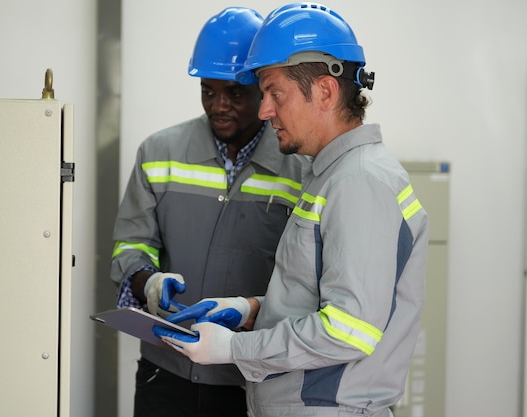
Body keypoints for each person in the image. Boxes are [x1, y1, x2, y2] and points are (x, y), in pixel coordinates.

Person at [154, 3, 430, 417]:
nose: (264, 111)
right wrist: (252, 309)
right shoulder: (330, 174)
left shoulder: (360, 181)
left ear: (324, 91)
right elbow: (325, 296)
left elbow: (349, 330)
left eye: (274, 94)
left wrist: (234, 348)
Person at [110, 6, 305, 417]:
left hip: (249, 375)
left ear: (263, 90)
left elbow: (308, 280)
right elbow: (131, 242)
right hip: (165, 372)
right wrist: (147, 281)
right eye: (208, 91)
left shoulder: (300, 167)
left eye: (234, 93)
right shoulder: (158, 152)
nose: (218, 106)